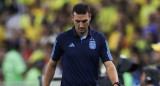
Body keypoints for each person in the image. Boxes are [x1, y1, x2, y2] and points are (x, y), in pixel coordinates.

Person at [43, 3, 120, 86]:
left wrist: (116, 83)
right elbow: (52, 65)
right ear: (72, 18)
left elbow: (109, 65)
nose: (81, 25)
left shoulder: (99, 38)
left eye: (84, 21)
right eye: (77, 21)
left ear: (90, 17)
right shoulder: (62, 39)